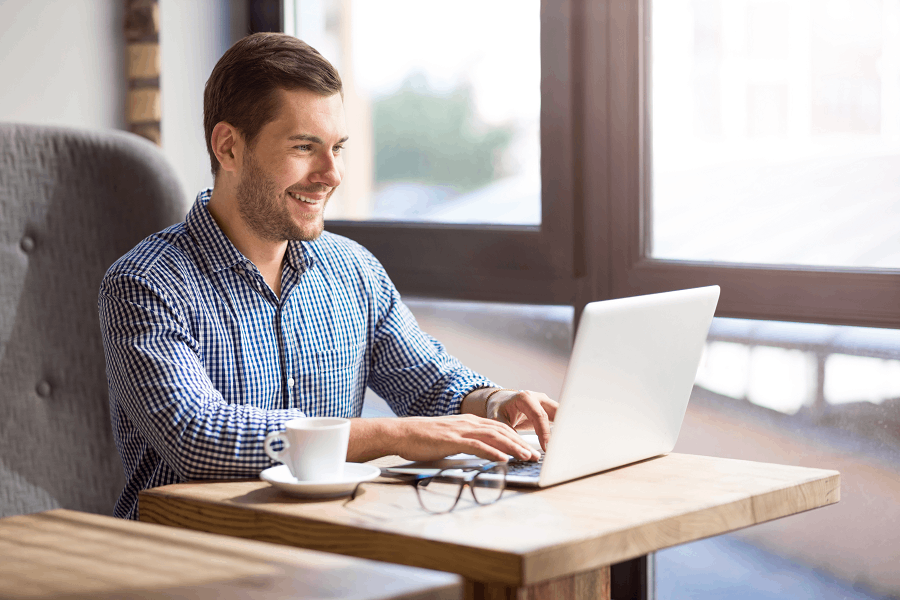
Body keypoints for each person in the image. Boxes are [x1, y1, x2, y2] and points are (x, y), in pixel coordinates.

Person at [99, 32, 557, 520]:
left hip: (330, 549)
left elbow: (430, 382)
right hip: (187, 562)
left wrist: (493, 403)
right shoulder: (143, 283)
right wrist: (389, 434)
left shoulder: (353, 269)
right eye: (305, 147)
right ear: (229, 148)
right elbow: (199, 436)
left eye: (338, 147)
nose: (332, 172)